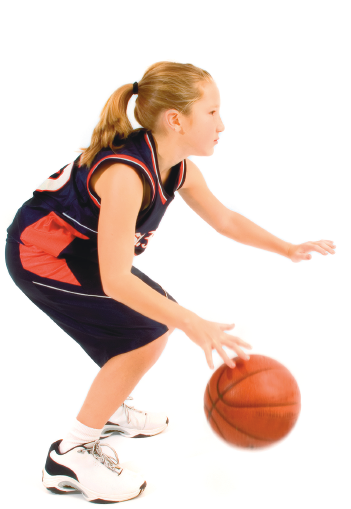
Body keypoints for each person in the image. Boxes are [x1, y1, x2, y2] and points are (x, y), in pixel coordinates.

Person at [5, 61, 336, 504]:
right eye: (213, 113)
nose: (223, 124)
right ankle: (70, 454)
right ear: (176, 120)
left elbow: (225, 219)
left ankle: (111, 404)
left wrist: (288, 247)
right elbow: (117, 280)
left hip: (83, 253)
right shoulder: (126, 176)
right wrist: (192, 321)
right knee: (146, 335)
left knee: (151, 323)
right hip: (42, 255)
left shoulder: (176, 165)